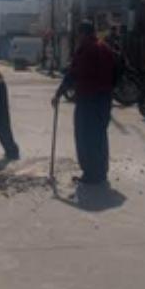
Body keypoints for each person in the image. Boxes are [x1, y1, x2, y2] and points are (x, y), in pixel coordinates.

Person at [52, 21, 115, 185]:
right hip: (105, 99)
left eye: (78, 34)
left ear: (82, 33)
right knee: (99, 136)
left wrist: (58, 94)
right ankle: (101, 172)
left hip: (89, 99)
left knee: (85, 136)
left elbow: (73, 73)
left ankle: (90, 174)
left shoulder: (86, 48)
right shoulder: (105, 48)